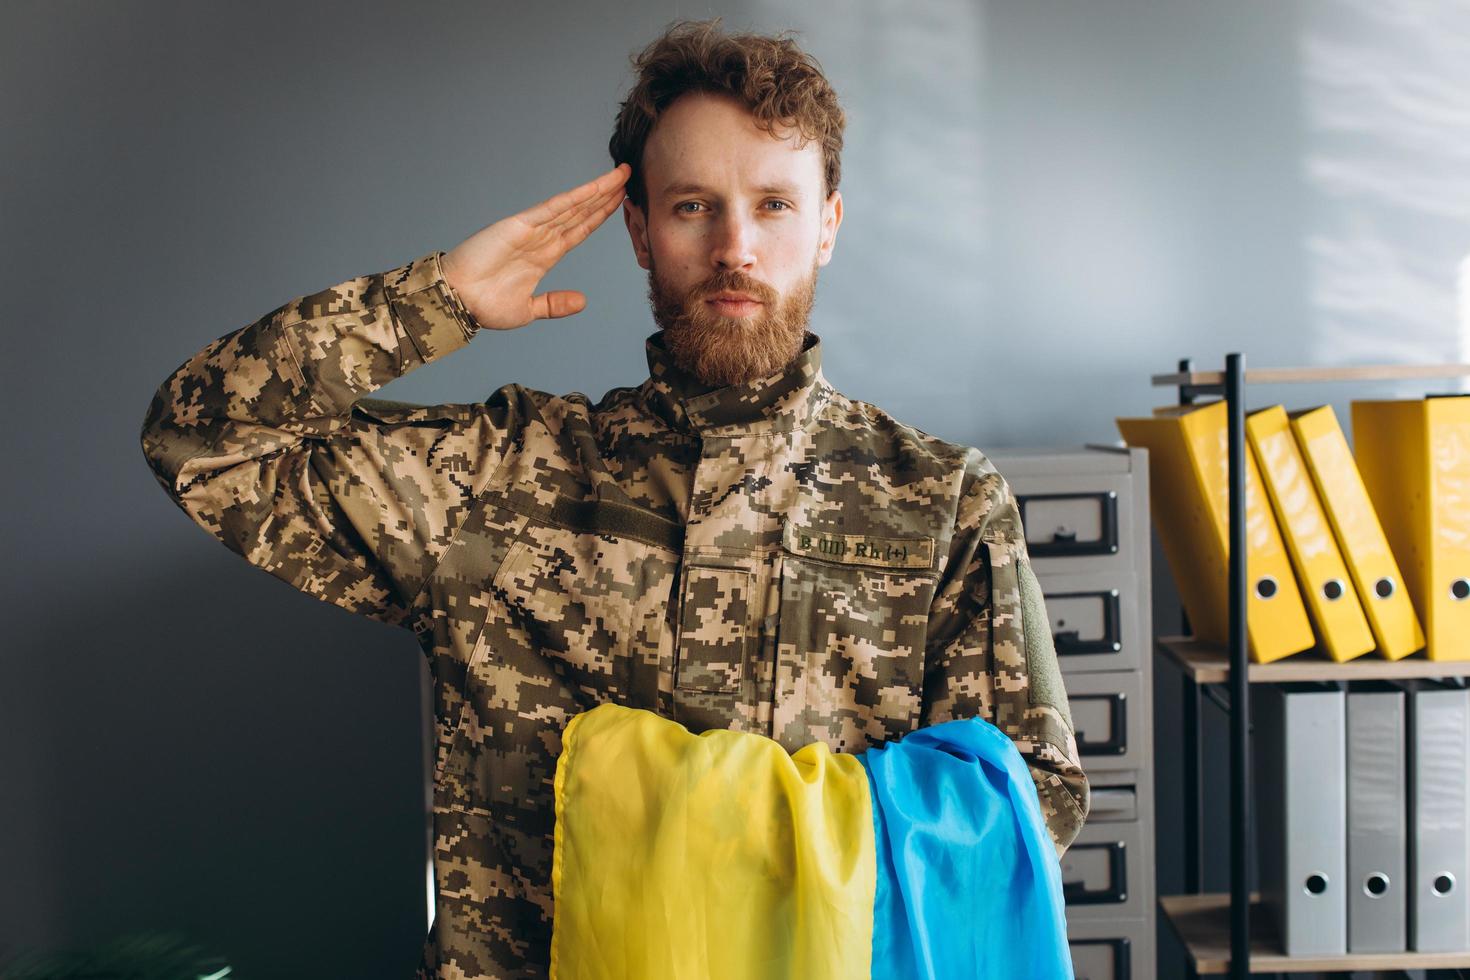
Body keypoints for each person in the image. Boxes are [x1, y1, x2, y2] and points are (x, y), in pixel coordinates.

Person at [140, 17, 1089, 979]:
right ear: (638, 230)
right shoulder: (498, 476)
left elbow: (1030, 802)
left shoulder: (943, 504)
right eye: (691, 207)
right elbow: (201, 439)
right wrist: (439, 302)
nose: (735, 248)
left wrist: (736, 844)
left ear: (829, 224)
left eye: (772, 205)